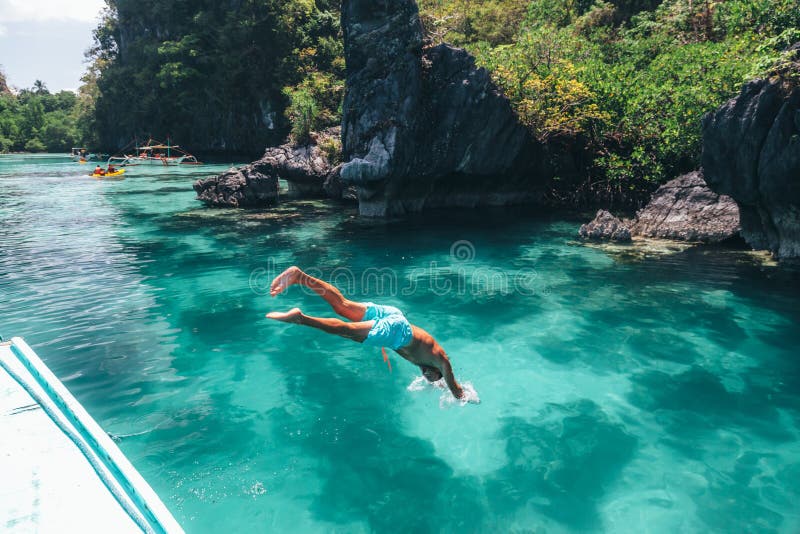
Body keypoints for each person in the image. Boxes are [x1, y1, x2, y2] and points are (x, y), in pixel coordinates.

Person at [266, 266, 466, 400]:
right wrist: (467, 397)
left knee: (343, 306)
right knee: (347, 331)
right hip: (398, 332)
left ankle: (300, 276)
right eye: (432, 378)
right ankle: (301, 318)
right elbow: (456, 390)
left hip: (395, 318)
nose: (426, 376)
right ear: (439, 372)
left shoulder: (430, 362)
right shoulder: (442, 362)